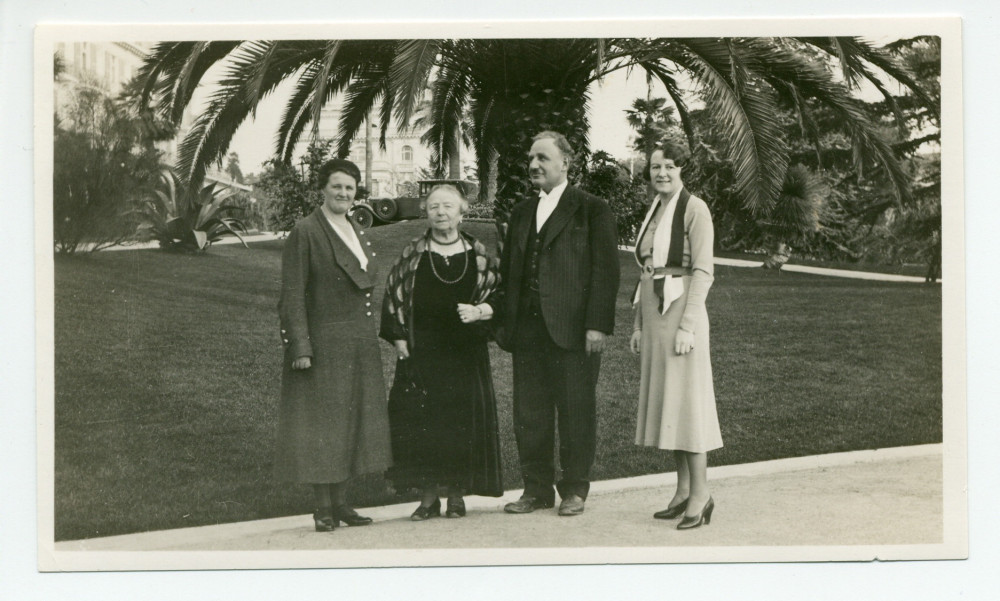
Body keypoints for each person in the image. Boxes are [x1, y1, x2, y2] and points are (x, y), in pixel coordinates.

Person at [484, 130, 620, 517]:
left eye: (542, 157)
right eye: (531, 158)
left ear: (565, 162)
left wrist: (597, 325)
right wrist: (501, 321)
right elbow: (510, 271)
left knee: (576, 410)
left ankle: (575, 489)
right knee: (530, 414)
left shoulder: (592, 208)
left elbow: (605, 272)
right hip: (527, 331)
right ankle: (536, 489)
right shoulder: (523, 211)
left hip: (573, 332)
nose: (533, 165)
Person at [274, 158, 391, 532]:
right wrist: (300, 348)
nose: (343, 193)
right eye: (337, 186)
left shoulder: (355, 227)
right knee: (323, 425)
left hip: (358, 343)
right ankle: (323, 507)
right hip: (324, 344)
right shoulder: (306, 231)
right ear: (322, 188)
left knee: (351, 423)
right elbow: (291, 295)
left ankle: (342, 503)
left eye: (350, 188)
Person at [380, 184, 503, 520]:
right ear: (426, 212)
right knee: (424, 424)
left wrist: (480, 312)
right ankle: (429, 497)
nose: (440, 212)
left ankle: (457, 495)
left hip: (466, 353)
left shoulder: (479, 256)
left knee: (460, 423)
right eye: (433, 206)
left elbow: (498, 296)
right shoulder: (412, 254)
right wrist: (399, 337)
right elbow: (393, 295)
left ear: (462, 212)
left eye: (448, 206)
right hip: (423, 352)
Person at [629, 142, 723, 530]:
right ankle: (683, 490)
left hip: (681, 314)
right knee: (671, 404)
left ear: (682, 168)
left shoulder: (695, 208)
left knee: (687, 406)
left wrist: (688, 326)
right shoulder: (656, 208)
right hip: (654, 314)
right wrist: (637, 324)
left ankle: (701, 495)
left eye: (669, 166)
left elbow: (703, 271)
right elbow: (646, 269)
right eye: (655, 166)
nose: (661, 173)